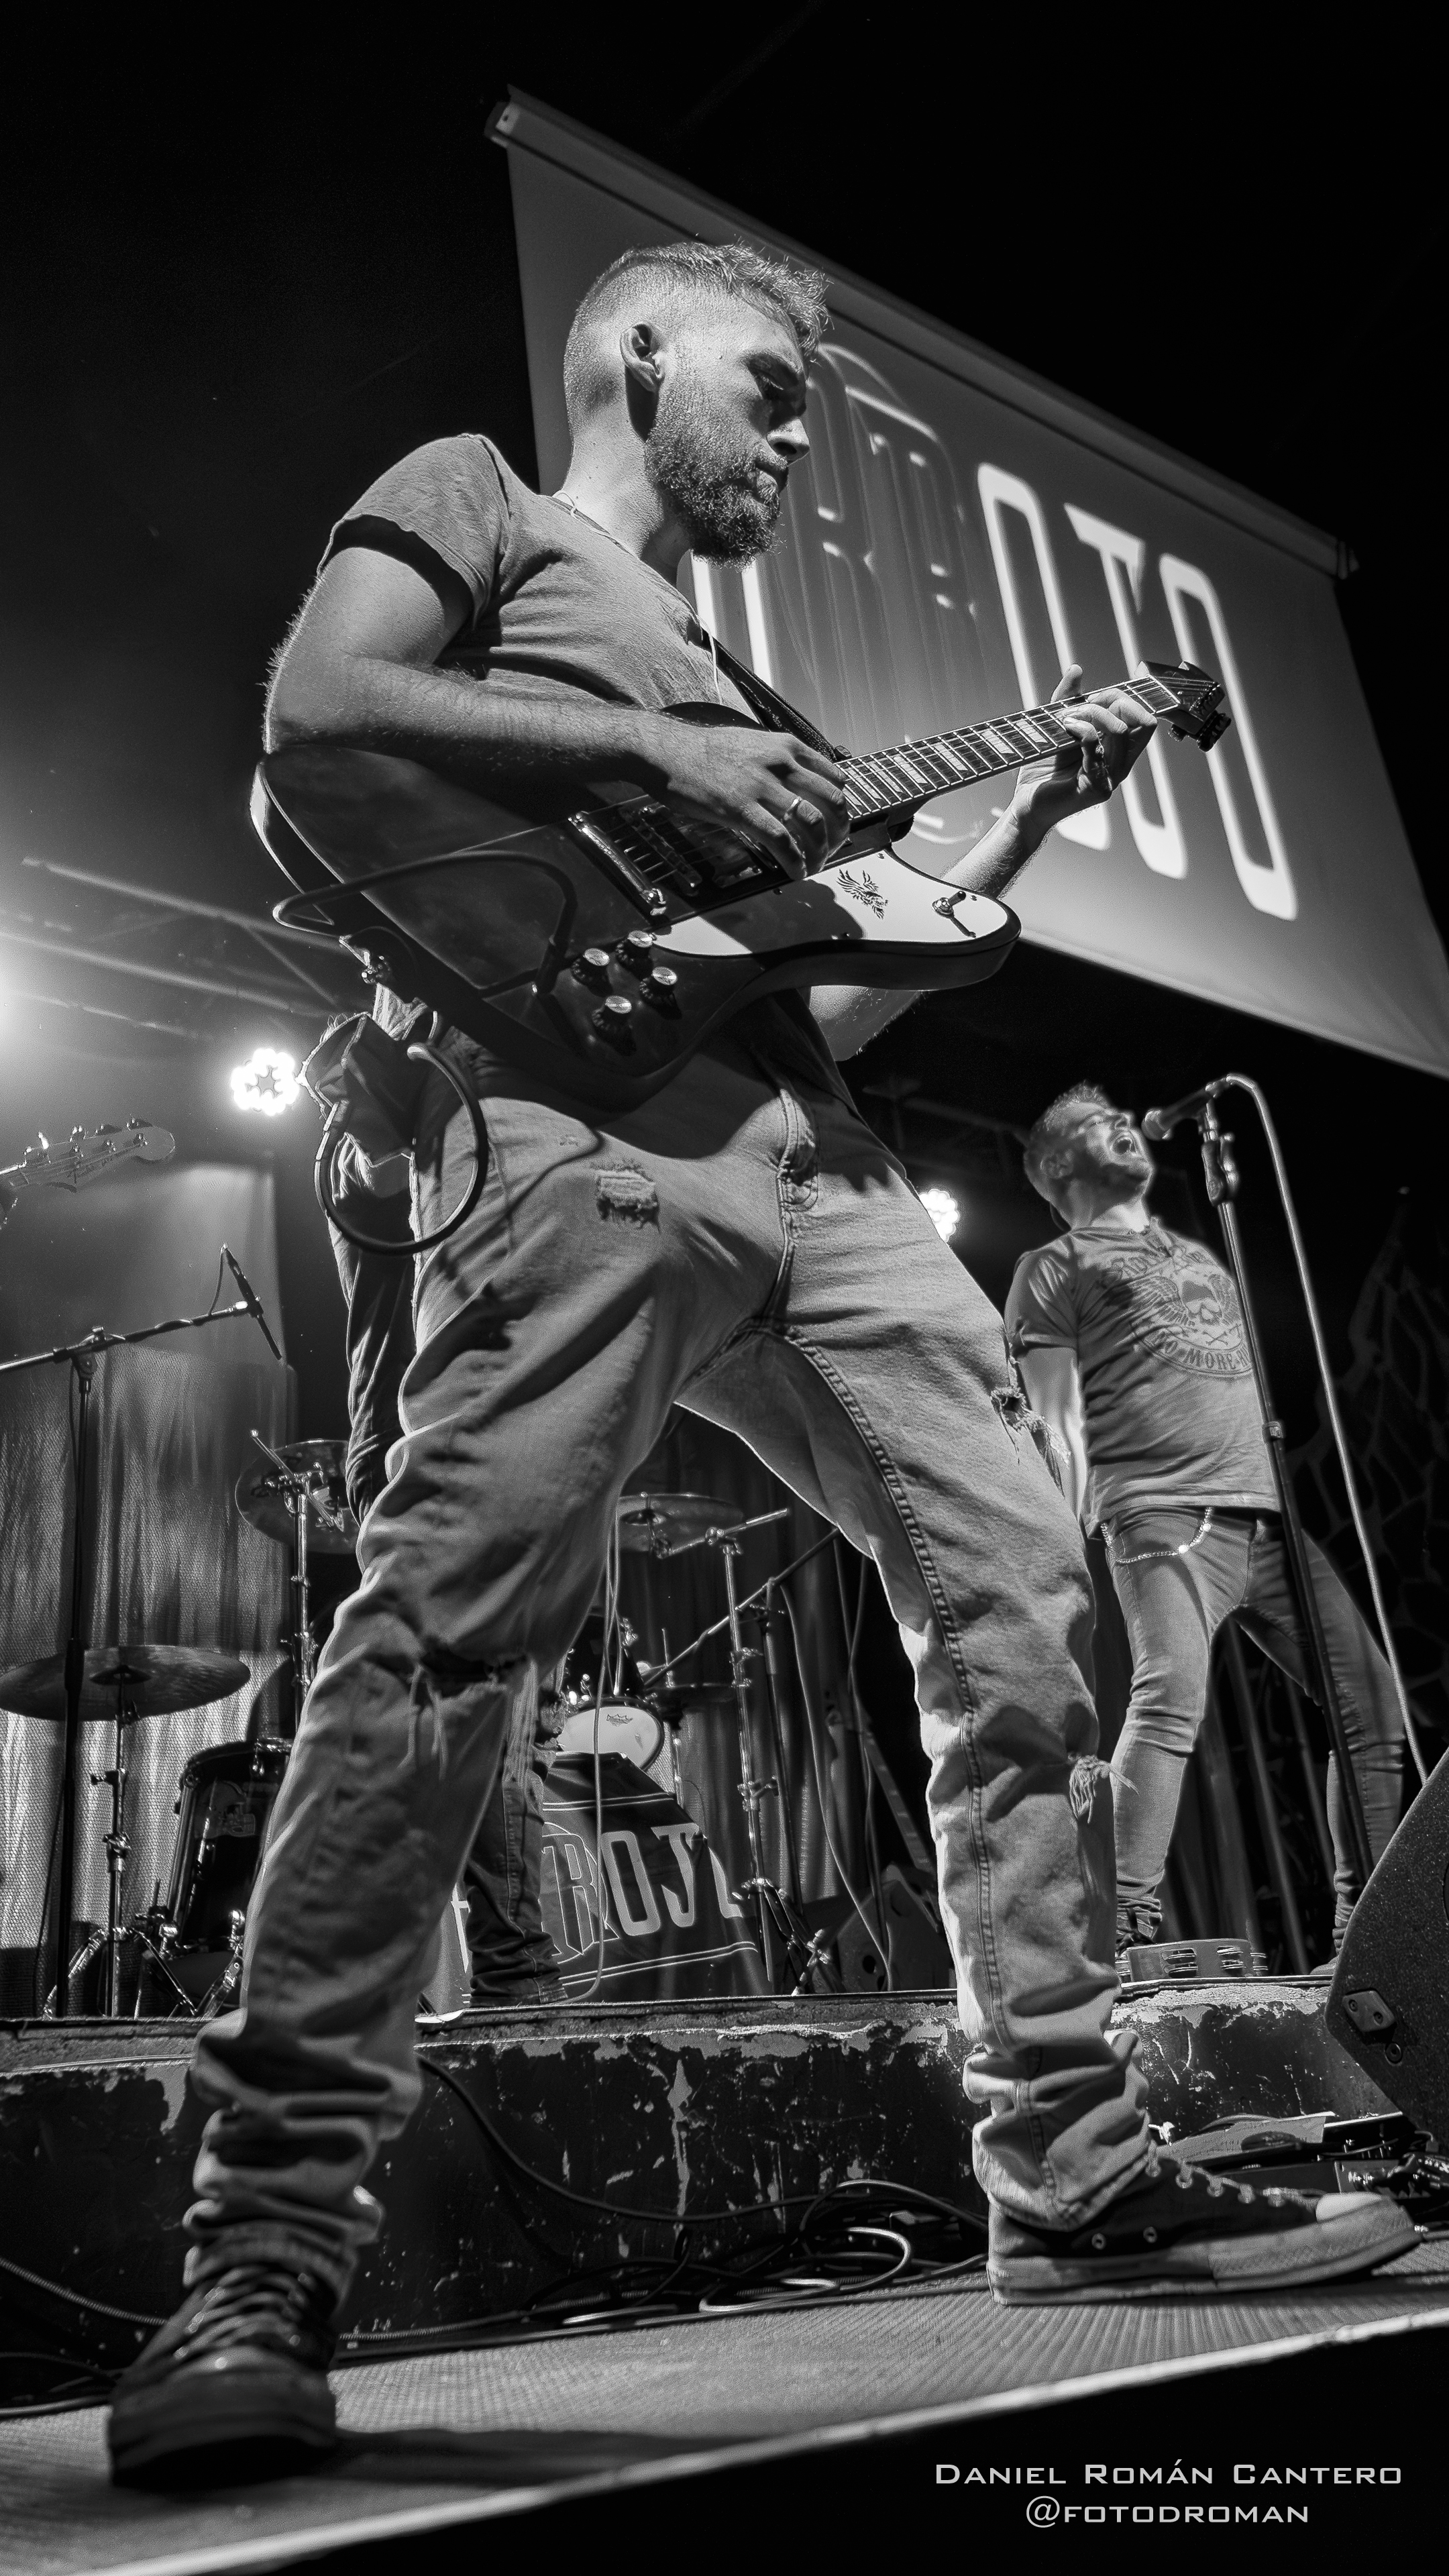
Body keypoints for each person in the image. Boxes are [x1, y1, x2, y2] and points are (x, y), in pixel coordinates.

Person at [108, 241, 1411, 2485]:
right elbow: (318, 720)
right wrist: (635, 746)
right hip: (563, 1130)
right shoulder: (491, 510)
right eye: (778, 395)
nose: (799, 449)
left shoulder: (767, 701)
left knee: (1025, 1602)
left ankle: (1070, 2167)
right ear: (642, 353)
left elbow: (836, 984)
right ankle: (262, 2252)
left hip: (819, 1166)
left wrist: (1017, 825)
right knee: (443, 1642)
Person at [1006, 1084, 1404, 1957]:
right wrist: (1074, 1538)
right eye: (1092, 1123)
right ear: (1056, 1165)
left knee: (1372, 1707)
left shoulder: (1197, 1251)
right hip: (1160, 1517)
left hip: (1267, 1523)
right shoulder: (1050, 1267)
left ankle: (1361, 1933)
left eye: (1120, 1114)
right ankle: (1127, 1921)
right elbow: (1055, 1420)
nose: (1120, 1123)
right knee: (1170, 1700)